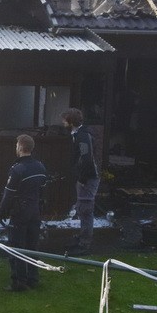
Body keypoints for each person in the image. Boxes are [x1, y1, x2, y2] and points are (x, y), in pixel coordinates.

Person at [0, 134, 48, 292]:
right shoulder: (40, 166)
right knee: (32, 245)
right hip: (35, 210)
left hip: (20, 212)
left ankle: (19, 282)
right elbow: (42, 190)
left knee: (16, 246)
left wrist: (1, 212)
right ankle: (33, 278)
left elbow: (8, 194)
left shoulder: (17, 169)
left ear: (19, 147)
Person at [61, 108, 98, 252]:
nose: (62, 122)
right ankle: (83, 238)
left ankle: (84, 244)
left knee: (86, 209)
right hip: (85, 176)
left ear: (70, 121)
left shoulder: (83, 136)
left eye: (64, 119)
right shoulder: (78, 134)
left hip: (88, 177)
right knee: (83, 209)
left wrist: (82, 178)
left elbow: (87, 158)